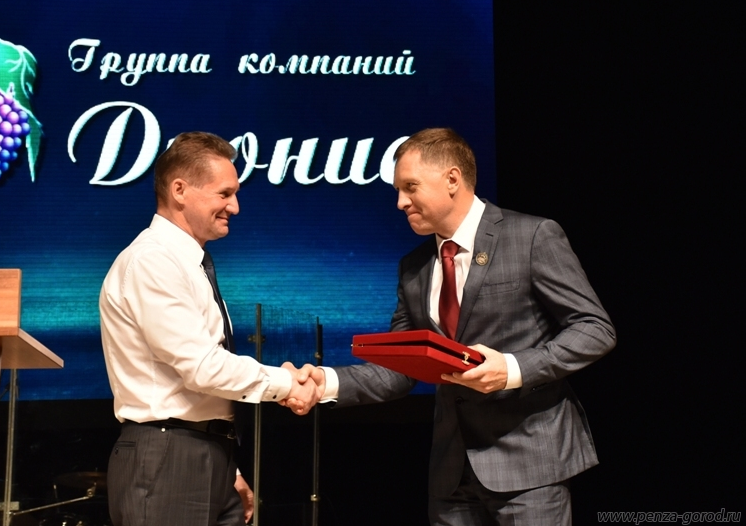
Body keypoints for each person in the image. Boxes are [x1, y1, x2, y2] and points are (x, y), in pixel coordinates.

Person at [287, 128, 616, 525]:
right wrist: (325, 382)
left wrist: (512, 369)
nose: (400, 202)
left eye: (410, 187)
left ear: (453, 179)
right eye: (397, 190)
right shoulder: (414, 267)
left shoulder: (531, 236)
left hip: (530, 466)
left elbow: (594, 328)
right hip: (451, 475)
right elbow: (399, 369)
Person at [100, 131, 318, 526]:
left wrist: (226, 468)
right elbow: (202, 367)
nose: (235, 206)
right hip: (168, 457)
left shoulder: (188, 263)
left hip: (205, 454)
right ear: (179, 190)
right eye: (224, 194)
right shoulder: (152, 261)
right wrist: (287, 383)